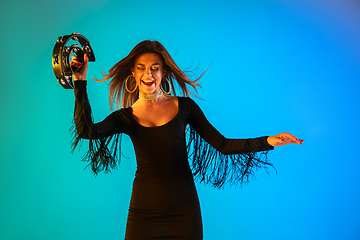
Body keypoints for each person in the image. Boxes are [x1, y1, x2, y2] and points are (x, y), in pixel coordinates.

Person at [70, 40, 303, 239]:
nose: (148, 74)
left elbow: (222, 145)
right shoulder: (125, 117)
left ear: (163, 73)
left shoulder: (185, 108)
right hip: (143, 213)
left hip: (184, 213)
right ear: (133, 72)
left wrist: (270, 141)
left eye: (155, 68)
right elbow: (86, 131)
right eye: (141, 68)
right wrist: (80, 82)